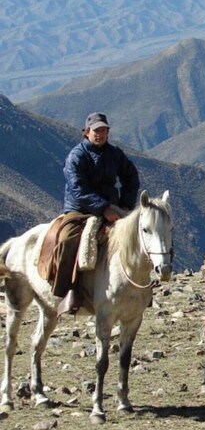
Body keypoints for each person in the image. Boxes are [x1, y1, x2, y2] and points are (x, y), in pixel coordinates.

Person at [55, 112, 140, 314]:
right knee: (68, 240)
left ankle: (139, 289)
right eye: (96, 131)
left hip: (112, 206)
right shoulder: (77, 156)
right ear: (87, 132)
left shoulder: (114, 154)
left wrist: (126, 204)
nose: (100, 134)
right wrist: (103, 208)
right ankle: (68, 290)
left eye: (104, 130)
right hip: (80, 209)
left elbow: (131, 175)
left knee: (140, 234)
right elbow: (77, 188)